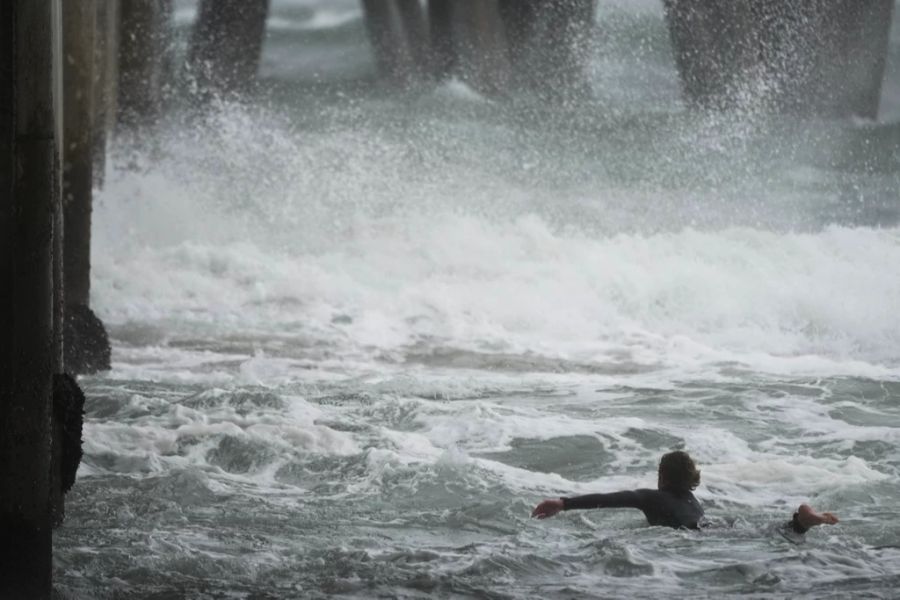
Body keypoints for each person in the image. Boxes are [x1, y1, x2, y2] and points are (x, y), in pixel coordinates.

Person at [531, 450, 839, 535]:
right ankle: (800, 521)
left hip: (696, 534)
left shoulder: (651, 498)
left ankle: (800, 522)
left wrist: (563, 502)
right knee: (769, 532)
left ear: (662, 476)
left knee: (763, 536)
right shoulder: (693, 499)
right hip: (717, 525)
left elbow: (614, 498)